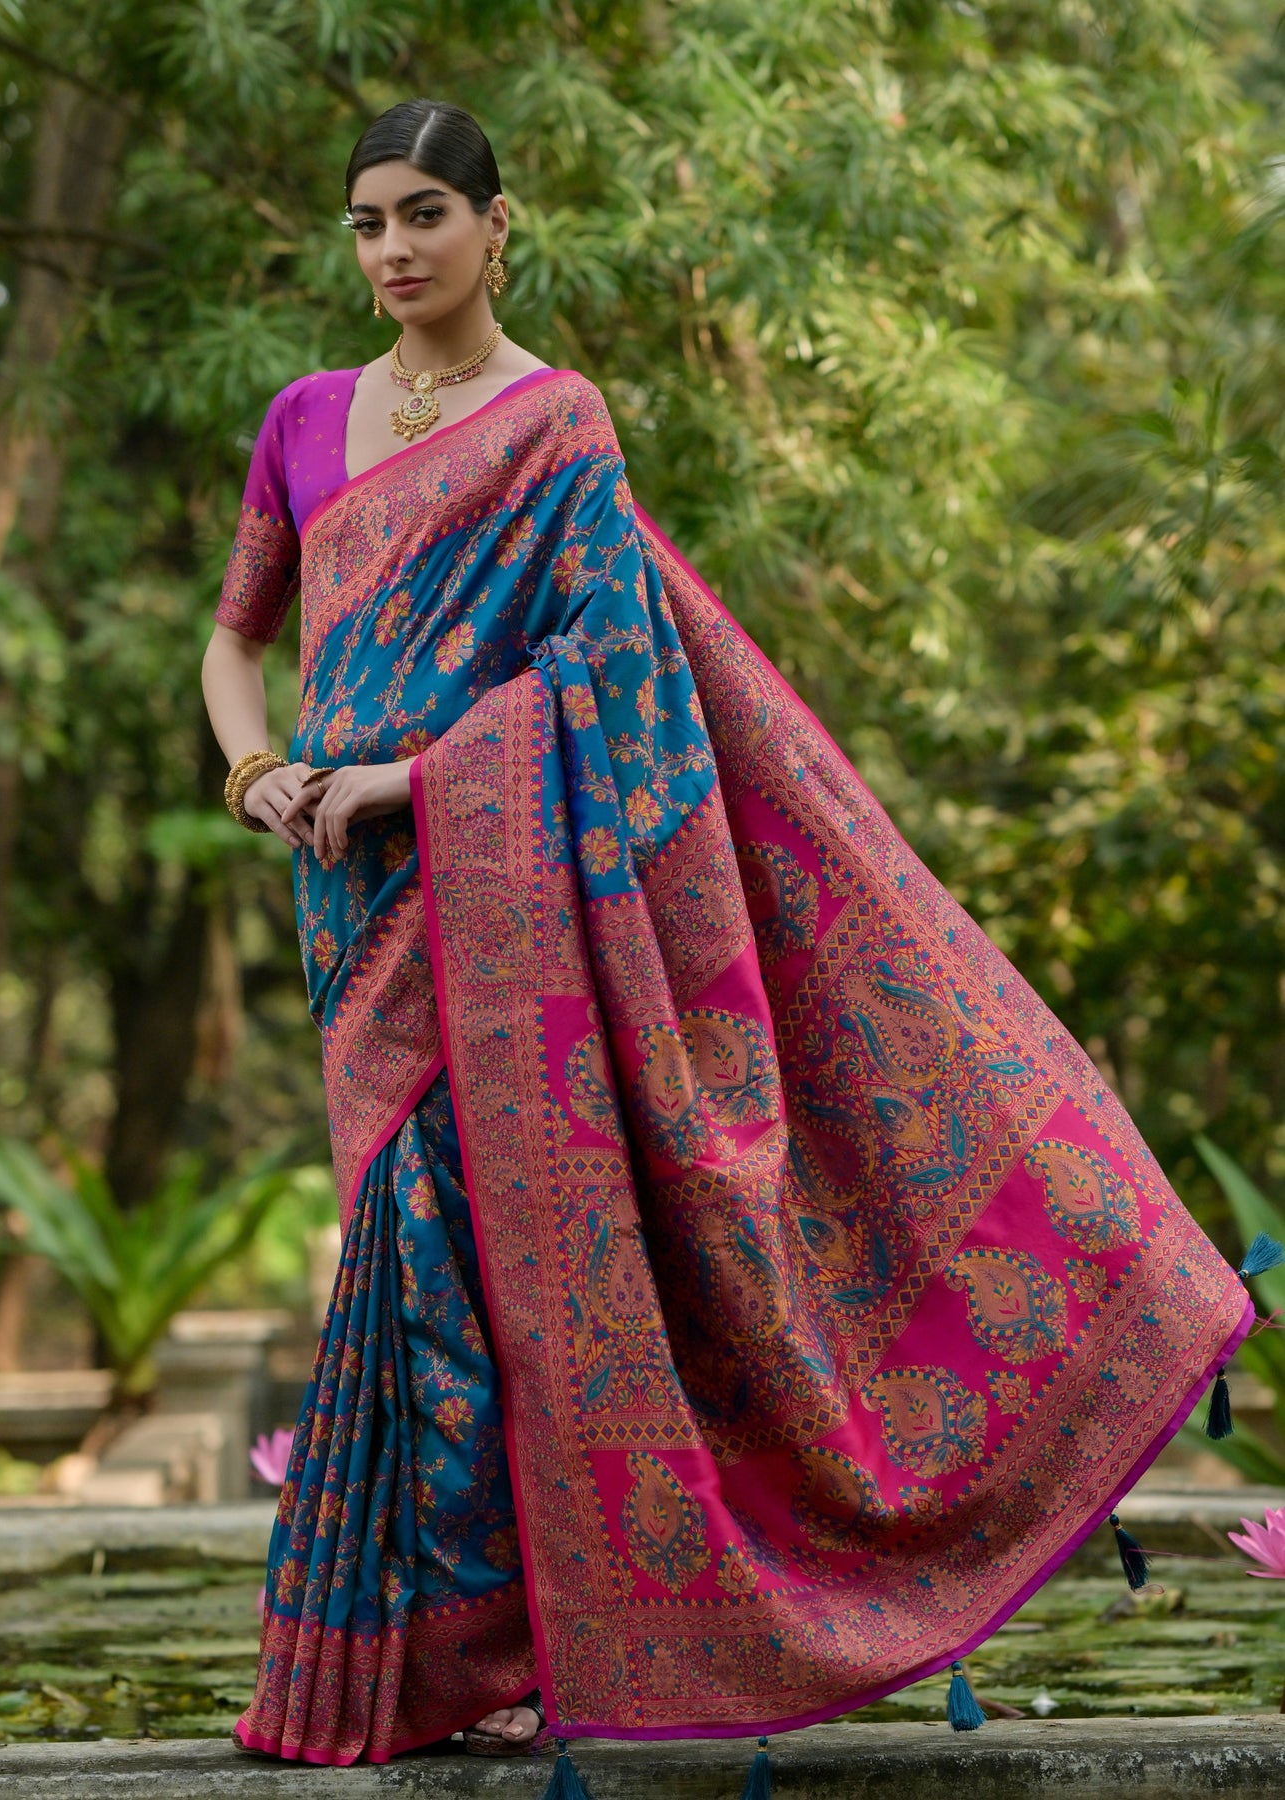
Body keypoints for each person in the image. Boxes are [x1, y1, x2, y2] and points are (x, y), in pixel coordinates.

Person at [202, 99, 1251, 1773]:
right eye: (366, 223)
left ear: (494, 226)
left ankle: (485, 1657)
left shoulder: (557, 422)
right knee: (401, 1244)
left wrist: (410, 779)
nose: (392, 250)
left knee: (485, 1256)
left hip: (483, 874)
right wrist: (259, 775)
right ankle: (407, 1658)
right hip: (350, 896)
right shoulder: (306, 418)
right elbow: (235, 640)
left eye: (423, 215)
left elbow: (607, 675)